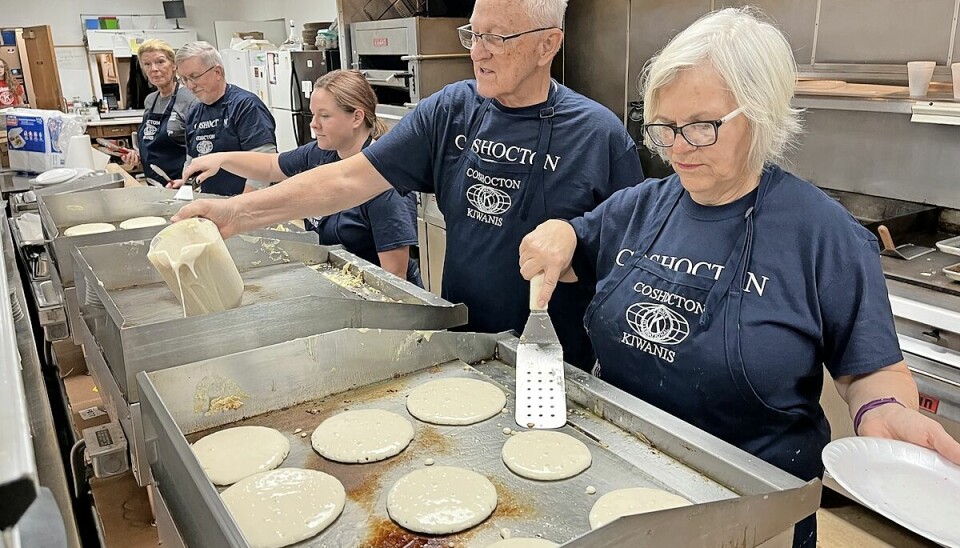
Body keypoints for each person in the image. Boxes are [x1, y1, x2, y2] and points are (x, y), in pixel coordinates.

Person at [517, 8, 960, 547]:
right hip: (620, 486)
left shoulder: (824, 236)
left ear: (761, 114)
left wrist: (881, 409)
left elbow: (872, 369)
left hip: (754, 512)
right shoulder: (638, 208)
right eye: (663, 128)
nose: (677, 147)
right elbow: (573, 247)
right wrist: (559, 232)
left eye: (701, 127)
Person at [175, 0, 644, 370]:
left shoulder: (598, 136)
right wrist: (236, 214)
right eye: (474, 34)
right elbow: (348, 178)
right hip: (466, 339)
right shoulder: (451, 110)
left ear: (548, 45)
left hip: (555, 358)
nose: (476, 51)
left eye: (496, 37)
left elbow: (629, 264)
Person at [172, 70, 422, 284]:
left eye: (324, 116)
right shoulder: (324, 153)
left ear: (357, 117)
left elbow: (394, 277)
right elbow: (271, 166)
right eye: (313, 115)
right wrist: (222, 159)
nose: (314, 124)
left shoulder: (384, 183)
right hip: (343, 279)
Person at [174, 41, 277, 196]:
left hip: (245, 204)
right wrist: (185, 187)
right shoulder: (194, 112)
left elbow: (264, 162)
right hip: (211, 203)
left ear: (217, 72)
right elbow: (192, 161)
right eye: (184, 79)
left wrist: (242, 206)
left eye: (194, 77)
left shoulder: (245, 106)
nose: (190, 86)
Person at [120, 40, 196, 185]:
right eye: (147, 64)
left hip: (182, 183)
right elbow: (152, 141)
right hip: (154, 183)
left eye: (160, 62)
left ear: (174, 65)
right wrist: (137, 154)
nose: (154, 69)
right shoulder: (150, 100)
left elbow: (199, 147)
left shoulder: (190, 98)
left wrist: (188, 182)